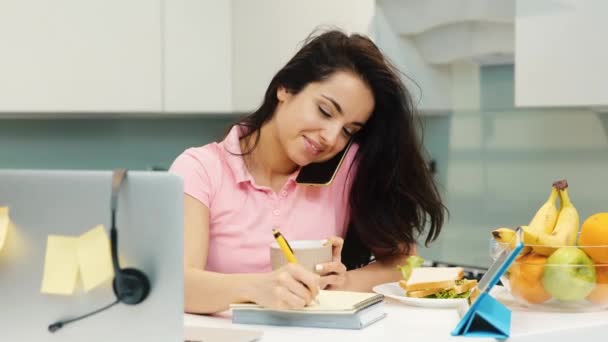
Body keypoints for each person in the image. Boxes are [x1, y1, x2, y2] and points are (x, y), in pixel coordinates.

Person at [169, 29, 446, 314]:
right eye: (325, 111)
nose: (330, 137)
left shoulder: (346, 169)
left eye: (348, 130)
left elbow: (404, 261)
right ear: (286, 88)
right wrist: (256, 289)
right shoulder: (200, 169)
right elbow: (176, 285)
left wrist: (346, 281)